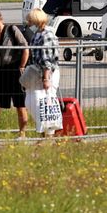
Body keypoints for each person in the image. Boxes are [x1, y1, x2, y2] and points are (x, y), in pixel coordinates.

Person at [0, 6, 29, 139]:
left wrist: (22, 66)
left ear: (0, 19)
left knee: (20, 103)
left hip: (14, 71)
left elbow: (25, 47)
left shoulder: (12, 30)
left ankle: (22, 133)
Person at [24, 8, 62, 136]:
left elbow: (48, 59)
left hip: (48, 74)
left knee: (45, 103)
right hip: (37, 73)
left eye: (30, 21)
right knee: (31, 102)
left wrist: (46, 78)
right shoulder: (37, 34)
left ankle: (49, 133)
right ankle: (45, 130)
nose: (28, 24)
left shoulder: (47, 35)